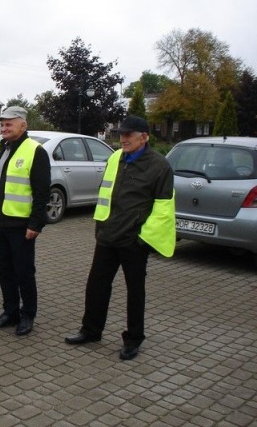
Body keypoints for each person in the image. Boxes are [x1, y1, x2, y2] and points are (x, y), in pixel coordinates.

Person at [64, 115, 175, 360]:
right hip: (107, 235)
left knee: (135, 291)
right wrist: (101, 227)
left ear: (144, 137)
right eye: (121, 134)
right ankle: (91, 330)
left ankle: (134, 338)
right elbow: (106, 195)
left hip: (134, 241)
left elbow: (163, 208)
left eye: (128, 135)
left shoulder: (160, 166)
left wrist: (142, 239)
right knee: (96, 285)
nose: (123, 139)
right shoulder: (116, 158)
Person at [0, 106, 50, 336]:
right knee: (4, 269)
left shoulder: (35, 151)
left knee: (23, 272)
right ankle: (10, 312)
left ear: (23, 125)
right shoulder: (0, 148)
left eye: (9, 123)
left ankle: (28, 315)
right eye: (2, 124)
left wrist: (35, 224)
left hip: (21, 225)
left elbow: (42, 193)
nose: (4, 127)